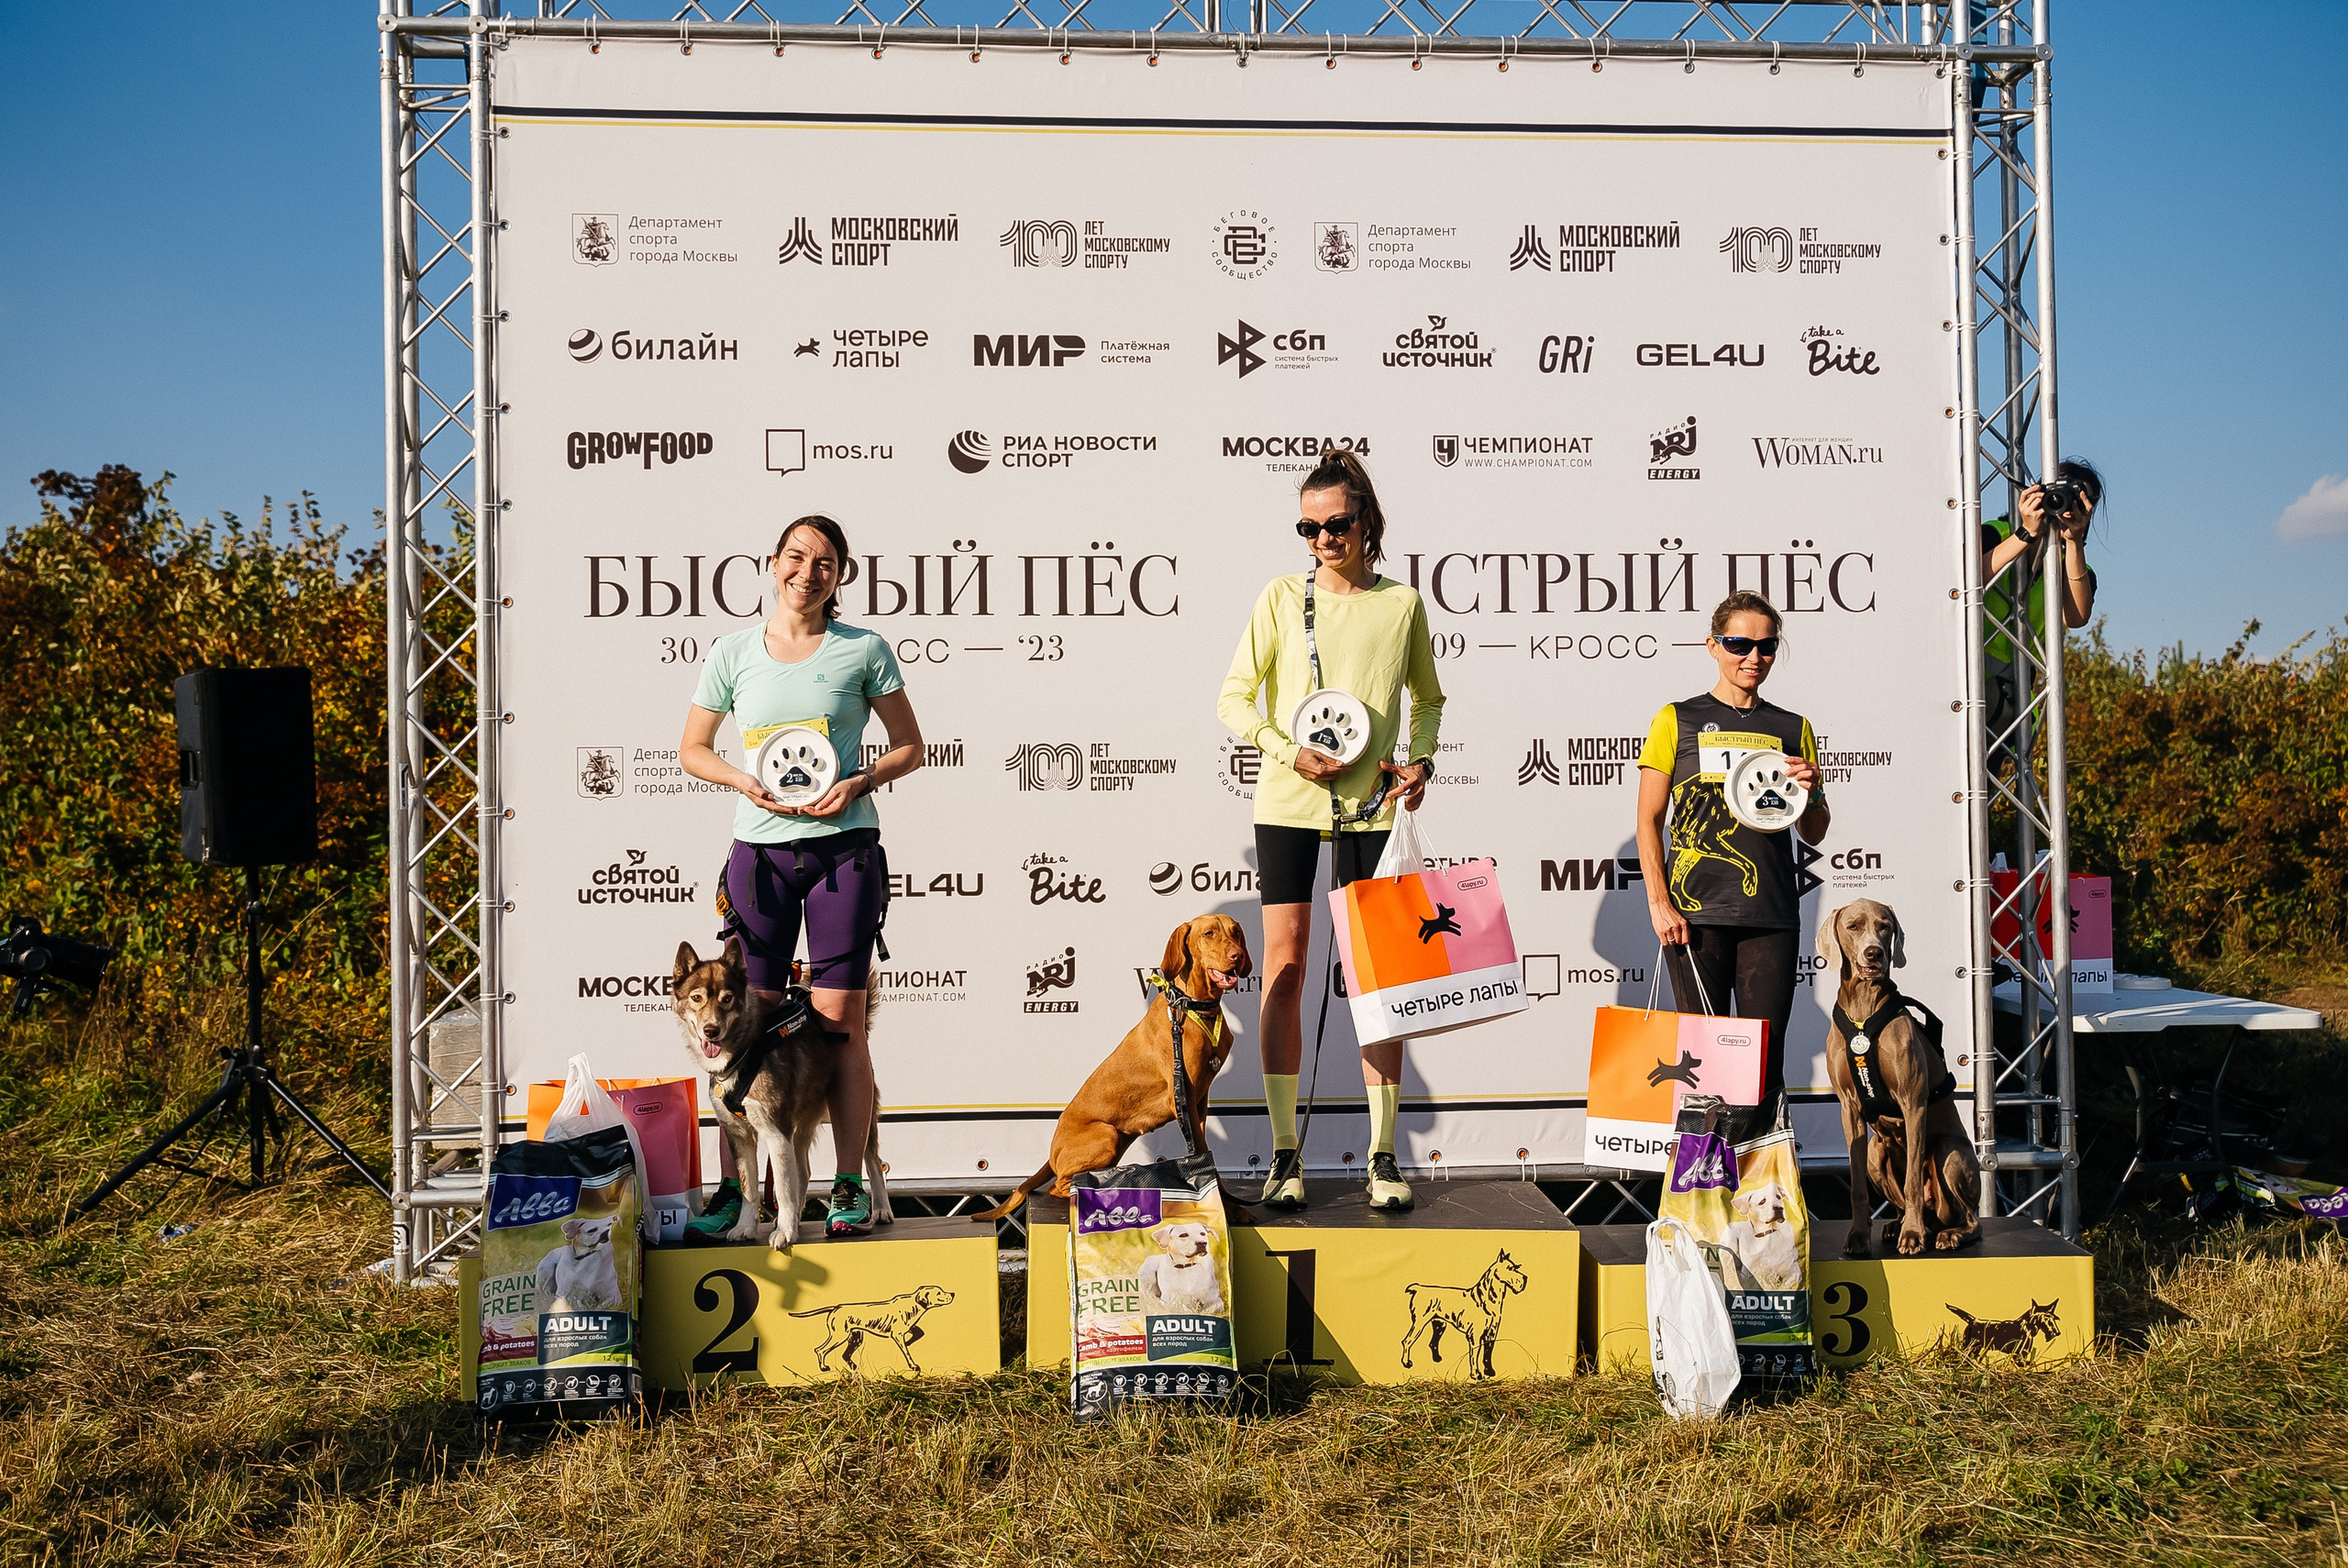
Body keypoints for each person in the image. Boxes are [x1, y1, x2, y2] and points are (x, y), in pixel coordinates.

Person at [678, 514, 925, 1238]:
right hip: (758, 857)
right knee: (740, 1024)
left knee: (842, 1025)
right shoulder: (732, 653)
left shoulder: (864, 650)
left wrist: (859, 781)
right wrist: (739, 781)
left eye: (825, 563)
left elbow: (911, 746)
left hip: (844, 851)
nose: (808, 573)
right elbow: (693, 747)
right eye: (796, 558)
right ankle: (736, 1187)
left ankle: (848, 1183)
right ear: (773, 564)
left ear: (840, 576)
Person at [1217, 447, 1445, 1211]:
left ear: (1366, 522)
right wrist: (1289, 753)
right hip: (1289, 804)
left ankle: (1383, 1156)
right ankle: (1286, 1155)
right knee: (1284, 968)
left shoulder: (1402, 605)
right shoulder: (1280, 598)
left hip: (1372, 809)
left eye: (1337, 523)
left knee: (1382, 983)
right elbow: (1235, 701)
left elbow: (1429, 700)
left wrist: (1420, 762)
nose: (1323, 539)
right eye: (1308, 527)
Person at [1633, 590, 1831, 1140]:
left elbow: (1812, 830)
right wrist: (1658, 901)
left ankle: (1762, 1205)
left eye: (1766, 647)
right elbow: (1649, 818)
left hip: (1770, 914)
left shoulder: (1794, 726)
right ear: (1713, 644)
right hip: (1694, 916)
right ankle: (1703, 1203)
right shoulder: (1677, 719)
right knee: (1704, 1070)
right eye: (1740, 643)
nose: (1753, 657)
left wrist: (1812, 793)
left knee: (1762, 1067)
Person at [1980, 459, 2103, 742]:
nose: (2067, 505)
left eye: (2081, 500)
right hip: (1969, 683)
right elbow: (1969, 582)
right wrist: (2026, 532)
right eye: (2062, 493)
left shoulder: (2074, 565)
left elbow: (2076, 618)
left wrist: (2073, 540)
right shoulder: (1996, 533)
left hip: (2015, 700)